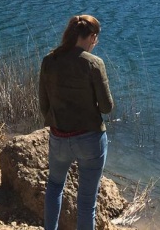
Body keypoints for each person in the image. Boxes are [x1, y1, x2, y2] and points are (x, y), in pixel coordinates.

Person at [39, 14, 114, 230]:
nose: (95, 43)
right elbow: (107, 107)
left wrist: (57, 123)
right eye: (96, 39)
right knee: (86, 201)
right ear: (91, 36)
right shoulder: (94, 63)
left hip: (59, 138)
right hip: (90, 140)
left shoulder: (49, 60)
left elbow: (44, 105)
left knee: (54, 186)